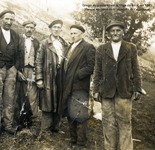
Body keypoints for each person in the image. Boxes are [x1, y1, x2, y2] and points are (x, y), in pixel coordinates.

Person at [93, 21, 142, 150]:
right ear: (108, 34)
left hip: (124, 91)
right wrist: (95, 90)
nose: (115, 33)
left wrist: (137, 87)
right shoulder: (101, 49)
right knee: (108, 123)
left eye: (118, 30)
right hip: (106, 92)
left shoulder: (130, 47)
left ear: (123, 32)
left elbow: (136, 68)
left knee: (125, 123)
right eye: (112, 31)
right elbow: (97, 71)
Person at [60, 25, 95, 147]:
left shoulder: (88, 47)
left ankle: (81, 142)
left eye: (75, 33)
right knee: (70, 111)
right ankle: (73, 139)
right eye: (71, 33)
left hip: (79, 85)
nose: (73, 35)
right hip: (68, 84)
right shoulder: (69, 46)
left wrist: (77, 74)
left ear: (81, 34)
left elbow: (91, 66)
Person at [36, 19, 69, 140]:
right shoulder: (44, 43)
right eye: (54, 27)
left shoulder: (64, 44)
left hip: (61, 77)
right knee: (48, 102)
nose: (56, 29)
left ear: (61, 29)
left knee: (59, 101)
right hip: (48, 77)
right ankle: (45, 131)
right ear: (50, 29)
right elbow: (38, 62)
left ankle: (56, 127)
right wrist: (39, 78)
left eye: (58, 27)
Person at [17, 20, 40, 122]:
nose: (29, 29)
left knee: (32, 94)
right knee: (19, 93)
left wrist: (36, 71)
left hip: (32, 70)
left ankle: (33, 118)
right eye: (27, 27)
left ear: (34, 29)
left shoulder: (36, 42)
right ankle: (18, 118)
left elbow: (38, 57)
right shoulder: (18, 39)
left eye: (31, 28)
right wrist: (17, 70)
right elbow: (15, 56)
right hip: (20, 70)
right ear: (24, 28)